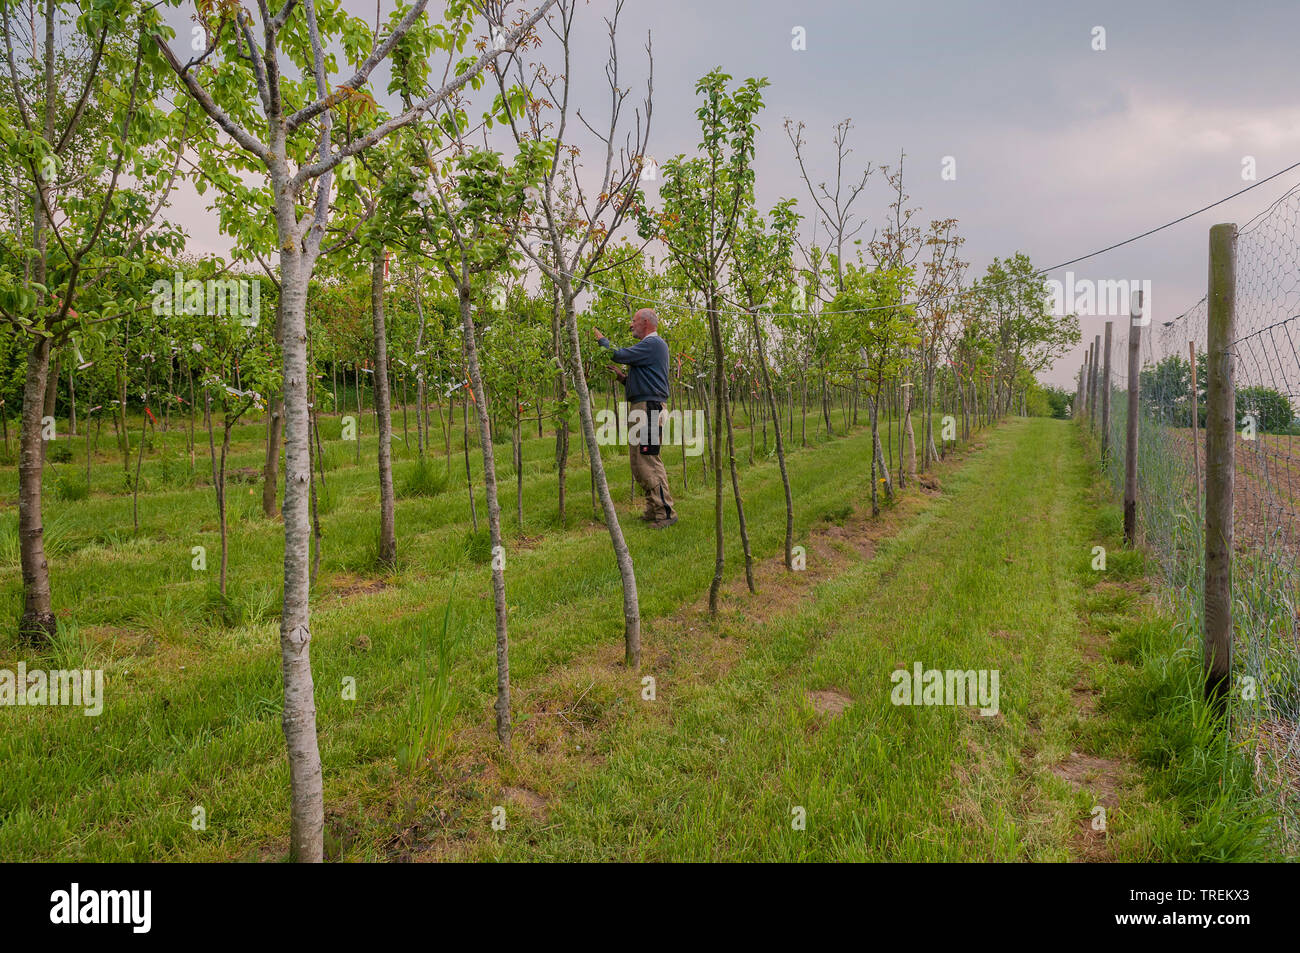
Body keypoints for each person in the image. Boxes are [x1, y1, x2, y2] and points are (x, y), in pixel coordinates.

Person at [592, 308, 677, 528]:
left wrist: (602, 341)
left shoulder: (653, 344)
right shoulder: (650, 348)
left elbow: (619, 354)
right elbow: (645, 379)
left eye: (634, 321)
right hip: (644, 406)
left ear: (646, 322)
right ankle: (653, 508)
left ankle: (665, 513)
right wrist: (623, 378)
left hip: (649, 409)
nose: (631, 325)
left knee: (649, 460)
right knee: (640, 462)